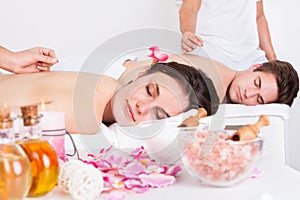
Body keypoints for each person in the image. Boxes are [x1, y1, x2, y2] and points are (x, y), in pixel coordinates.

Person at [0, 62, 219, 134]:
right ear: (142, 73)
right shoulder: (87, 114)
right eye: (149, 91)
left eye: (157, 114)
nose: (142, 107)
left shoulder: (104, 82)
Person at [120, 53, 299, 106]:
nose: (249, 93)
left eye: (259, 99)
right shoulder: (216, 82)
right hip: (123, 73)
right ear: (255, 67)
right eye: (256, 82)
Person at [179, 0, 277, 70]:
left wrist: (273, 60)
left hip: (249, 57)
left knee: (276, 90)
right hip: (212, 52)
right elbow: (190, 7)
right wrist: (188, 32)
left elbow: (259, 17)